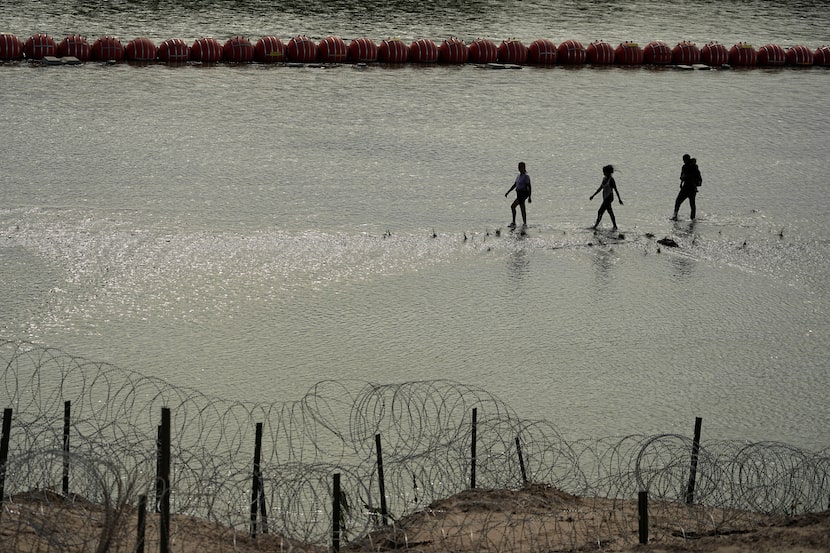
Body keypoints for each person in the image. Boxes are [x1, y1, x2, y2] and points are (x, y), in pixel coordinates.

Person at [590, 164, 623, 229]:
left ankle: (596, 226)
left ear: (608, 172)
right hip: (605, 198)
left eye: (604, 172)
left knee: (600, 211)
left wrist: (619, 199)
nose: (603, 173)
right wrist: (593, 195)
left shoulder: (611, 180)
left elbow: (616, 189)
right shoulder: (604, 179)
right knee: (609, 211)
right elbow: (600, 188)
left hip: (609, 197)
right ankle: (615, 226)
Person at [672, 154, 702, 220]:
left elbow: (699, 179)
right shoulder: (684, 167)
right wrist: (683, 178)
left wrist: (691, 180)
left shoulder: (694, 167)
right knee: (679, 201)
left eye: (684, 160)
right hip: (686, 187)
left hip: (691, 188)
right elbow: (681, 176)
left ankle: (692, 218)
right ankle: (675, 216)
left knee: (689, 203)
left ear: (687, 159)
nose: (683, 161)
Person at [504, 161, 531, 227]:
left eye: (520, 167)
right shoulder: (518, 176)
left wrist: (530, 197)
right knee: (521, 208)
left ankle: (517, 222)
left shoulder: (526, 176)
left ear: (523, 168)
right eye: (518, 167)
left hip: (523, 194)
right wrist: (508, 192)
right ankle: (522, 223)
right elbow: (515, 185)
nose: (519, 168)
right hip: (518, 193)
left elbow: (529, 186)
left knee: (514, 206)